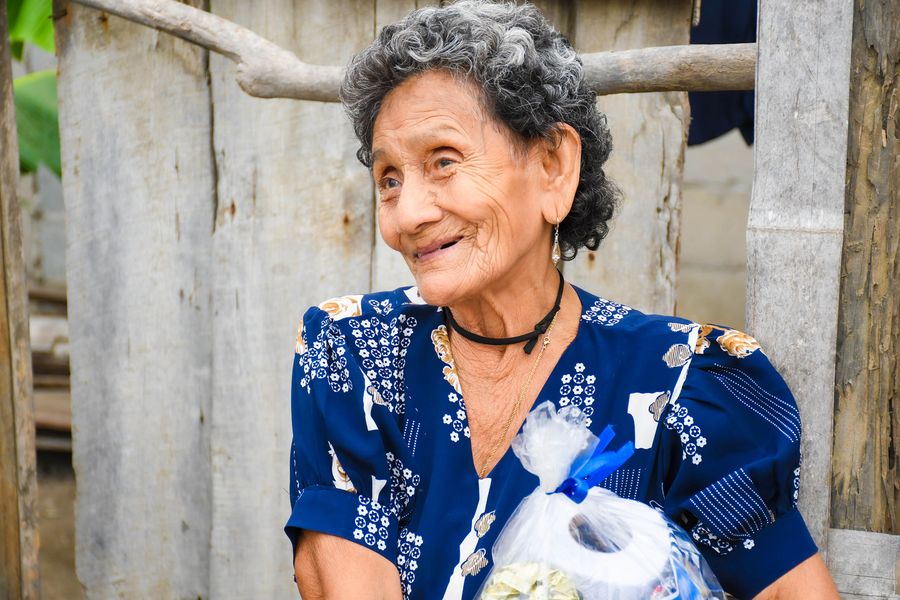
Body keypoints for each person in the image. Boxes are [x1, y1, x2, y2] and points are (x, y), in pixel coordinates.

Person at [285, 1, 839, 598]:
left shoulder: (679, 382)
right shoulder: (355, 355)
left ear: (553, 166)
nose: (408, 215)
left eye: (444, 162)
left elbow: (787, 588)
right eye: (390, 179)